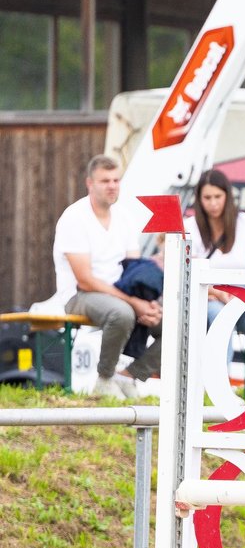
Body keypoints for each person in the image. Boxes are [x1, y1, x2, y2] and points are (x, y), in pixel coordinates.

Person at [52, 154, 162, 399]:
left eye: (116, 180)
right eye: (105, 181)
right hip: (80, 295)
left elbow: (134, 270)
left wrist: (148, 302)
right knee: (122, 313)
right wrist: (135, 303)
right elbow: (85, 279)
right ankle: (104, 379)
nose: (112, 185)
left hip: (121, 292)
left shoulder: (125, 217)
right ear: (89, 183)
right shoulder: (74, 217)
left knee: (174, 319)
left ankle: (130, 375)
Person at [184, 169, 245, 384]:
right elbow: (189, 274)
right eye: (207, 198)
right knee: (222, 322)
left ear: (228, 196)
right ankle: (219, 389)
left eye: (218, 197)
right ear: (199, 200)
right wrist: (219, 293)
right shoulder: (189, 229)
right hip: (207, 295)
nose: (213, 203)